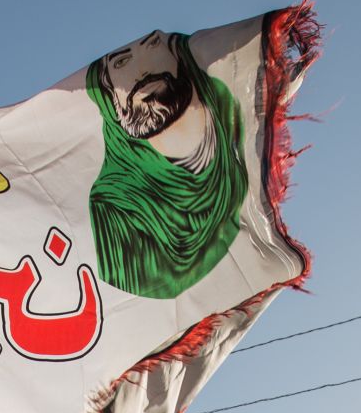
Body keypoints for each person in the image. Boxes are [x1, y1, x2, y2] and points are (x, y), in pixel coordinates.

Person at [85, 29, 249, 300]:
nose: (141, 72)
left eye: (153, 48)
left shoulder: (233, 120)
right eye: (121, 63)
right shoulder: (114, 205)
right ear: (110, 98)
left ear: (178, 58)